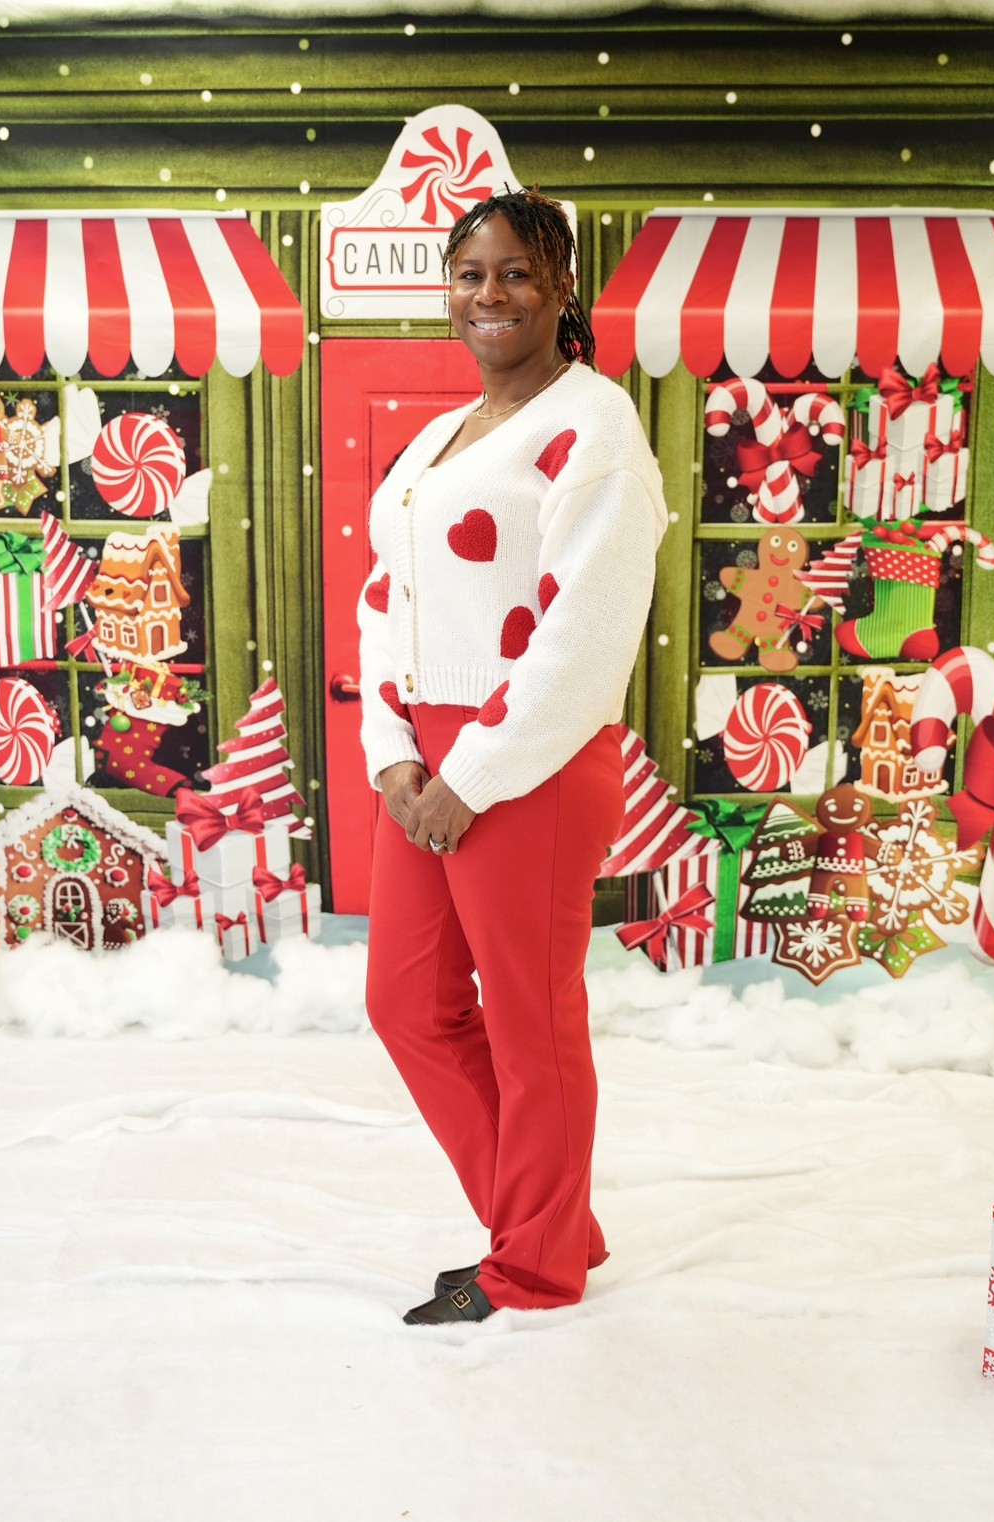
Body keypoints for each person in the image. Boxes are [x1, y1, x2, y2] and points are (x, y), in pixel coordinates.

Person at [356, 187, 668, 1325]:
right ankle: (548, 1223)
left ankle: (534, 1266)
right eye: (470, 274)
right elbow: (385, 598)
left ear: (561, 287)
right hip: (423, 760)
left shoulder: (596, 427)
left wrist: (471, 774)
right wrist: (392, 750)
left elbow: (587, 635)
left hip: (529, 755)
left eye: (517, 272)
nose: (490, 294)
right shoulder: (442, 436)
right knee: (407, 1002)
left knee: (531, 1022)